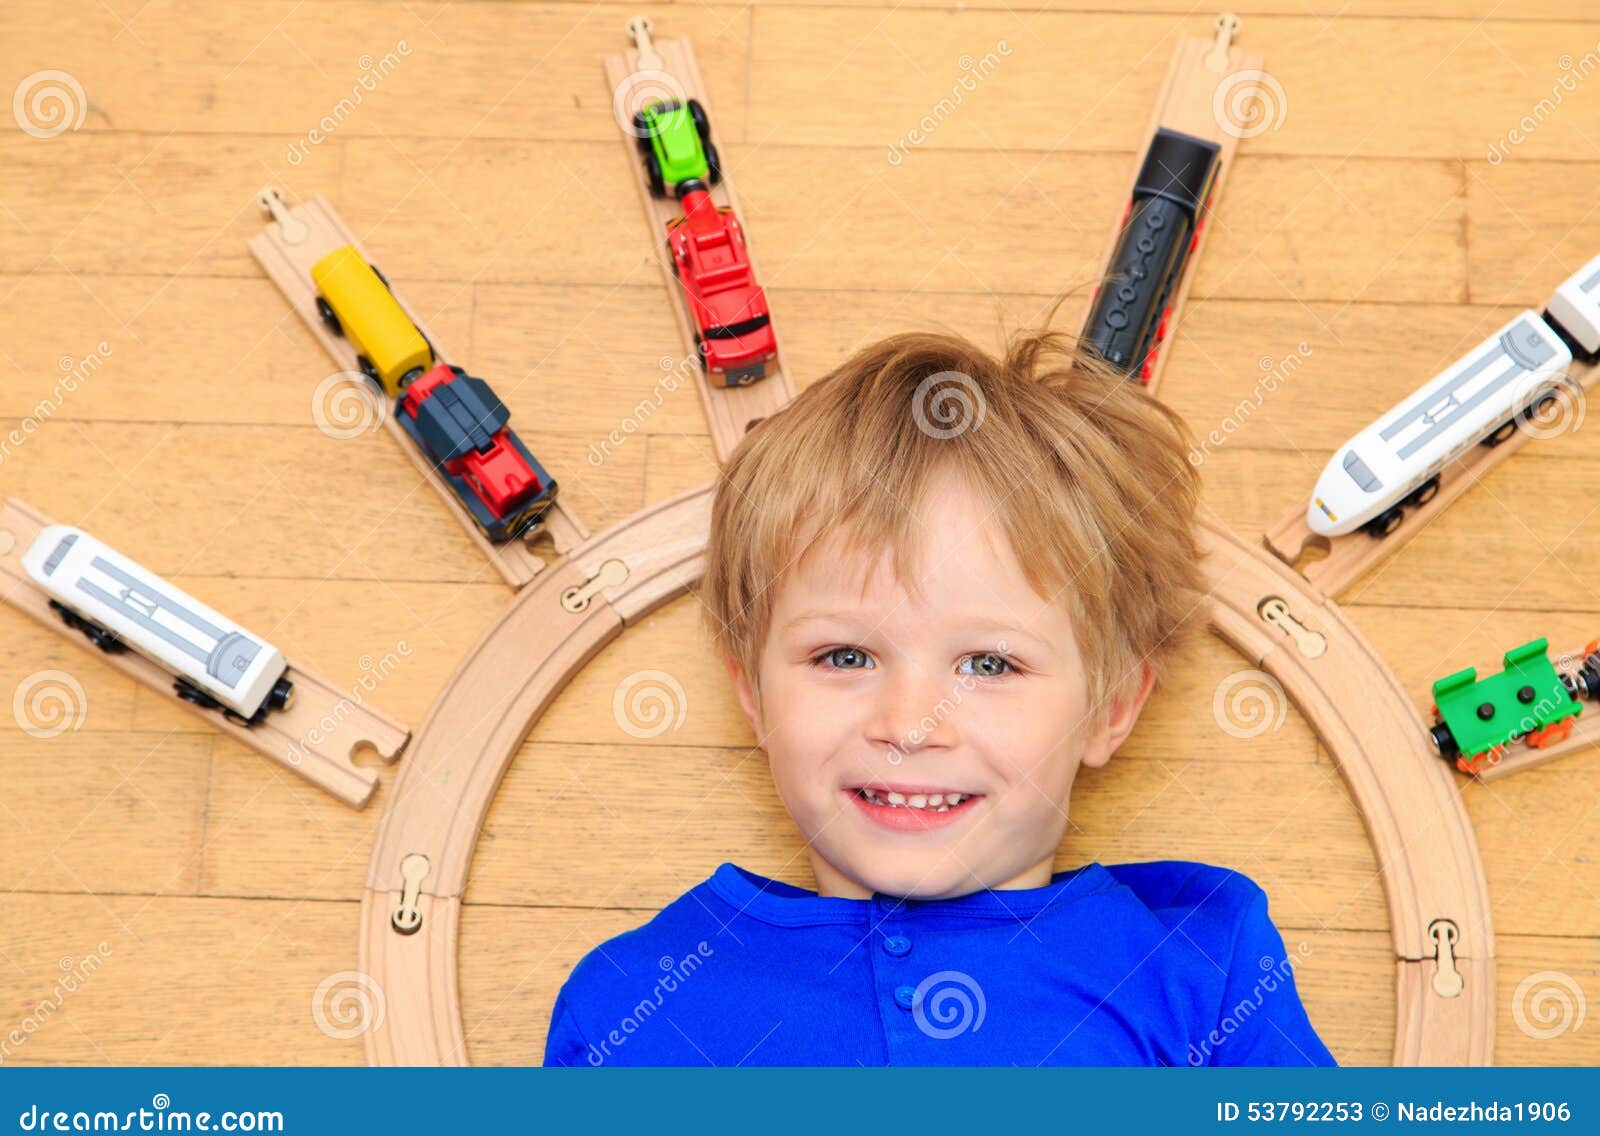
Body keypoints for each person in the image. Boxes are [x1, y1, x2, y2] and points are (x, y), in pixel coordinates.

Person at [543, 325, 1335, 1066]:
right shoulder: (631, 1000)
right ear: (752, 691)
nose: (908, 724)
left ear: (1112, 705)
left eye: (989, 665)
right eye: (844, 654)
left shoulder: (1200, 968)